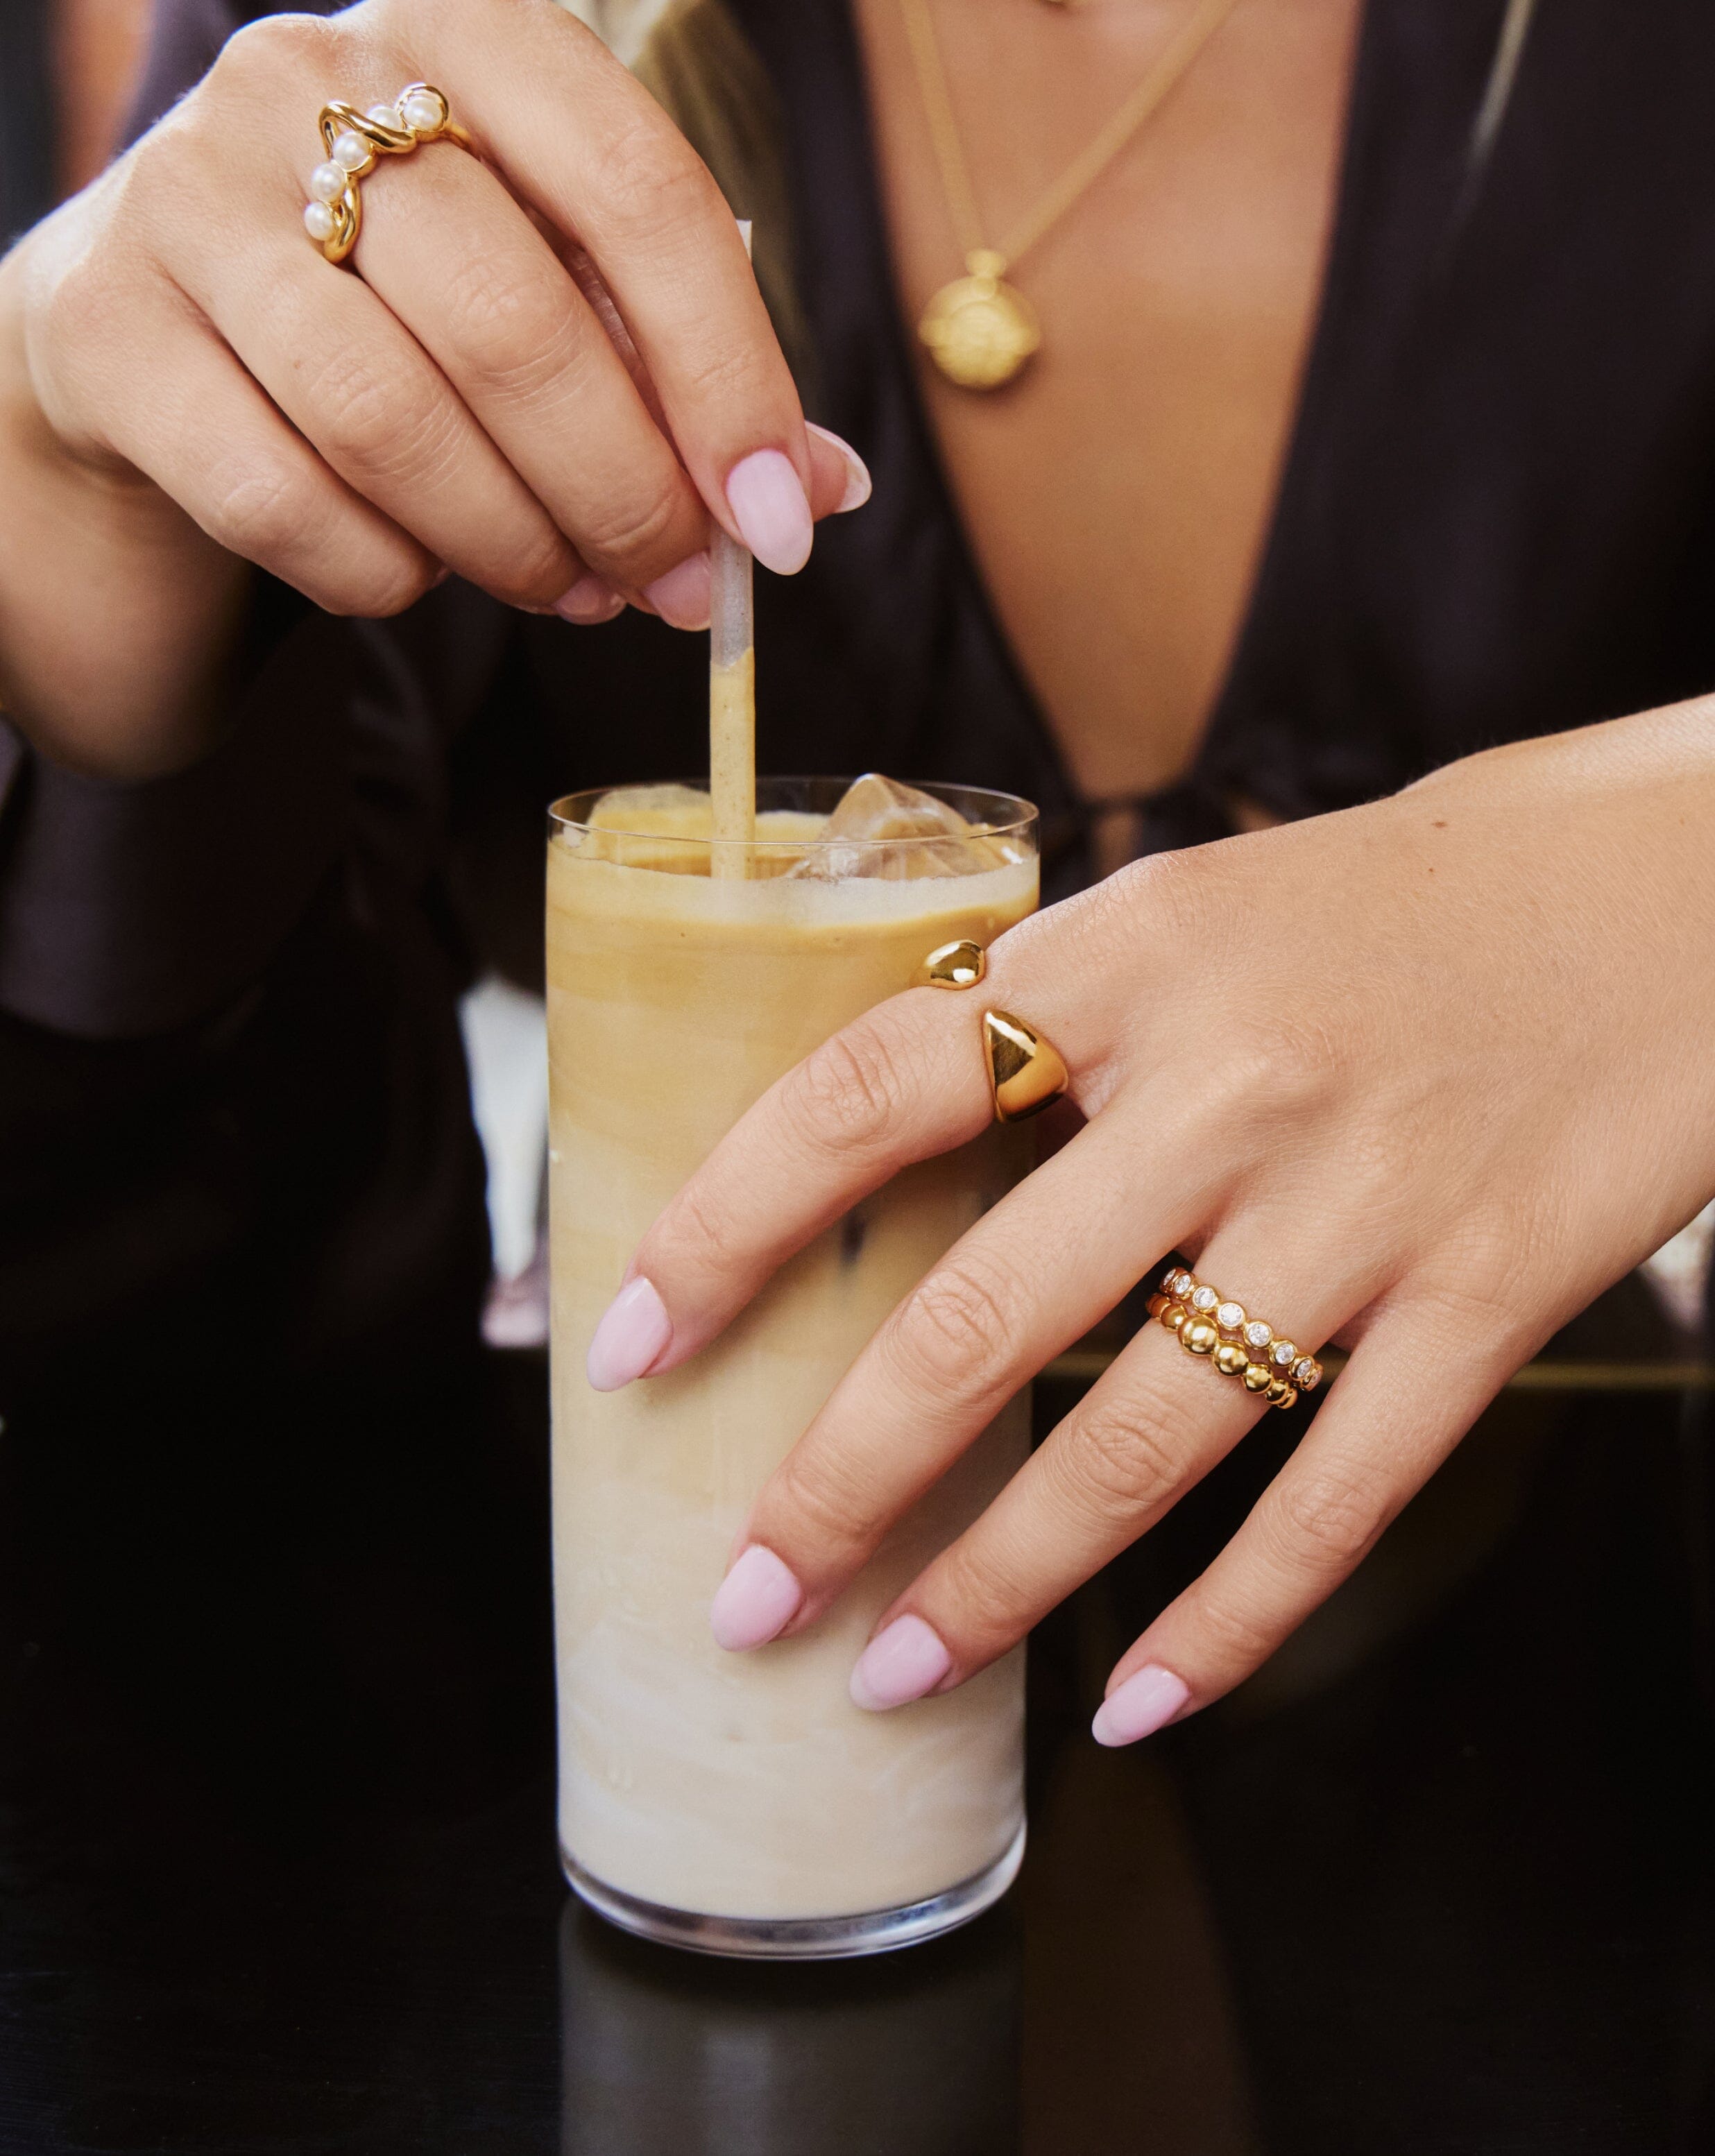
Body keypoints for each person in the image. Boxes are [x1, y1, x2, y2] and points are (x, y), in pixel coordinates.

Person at [1, 0, 1712, 1752]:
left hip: (1542, 1731)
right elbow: (190, 1301)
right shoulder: (381, 72)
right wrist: (53, 502)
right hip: (605, 1738)